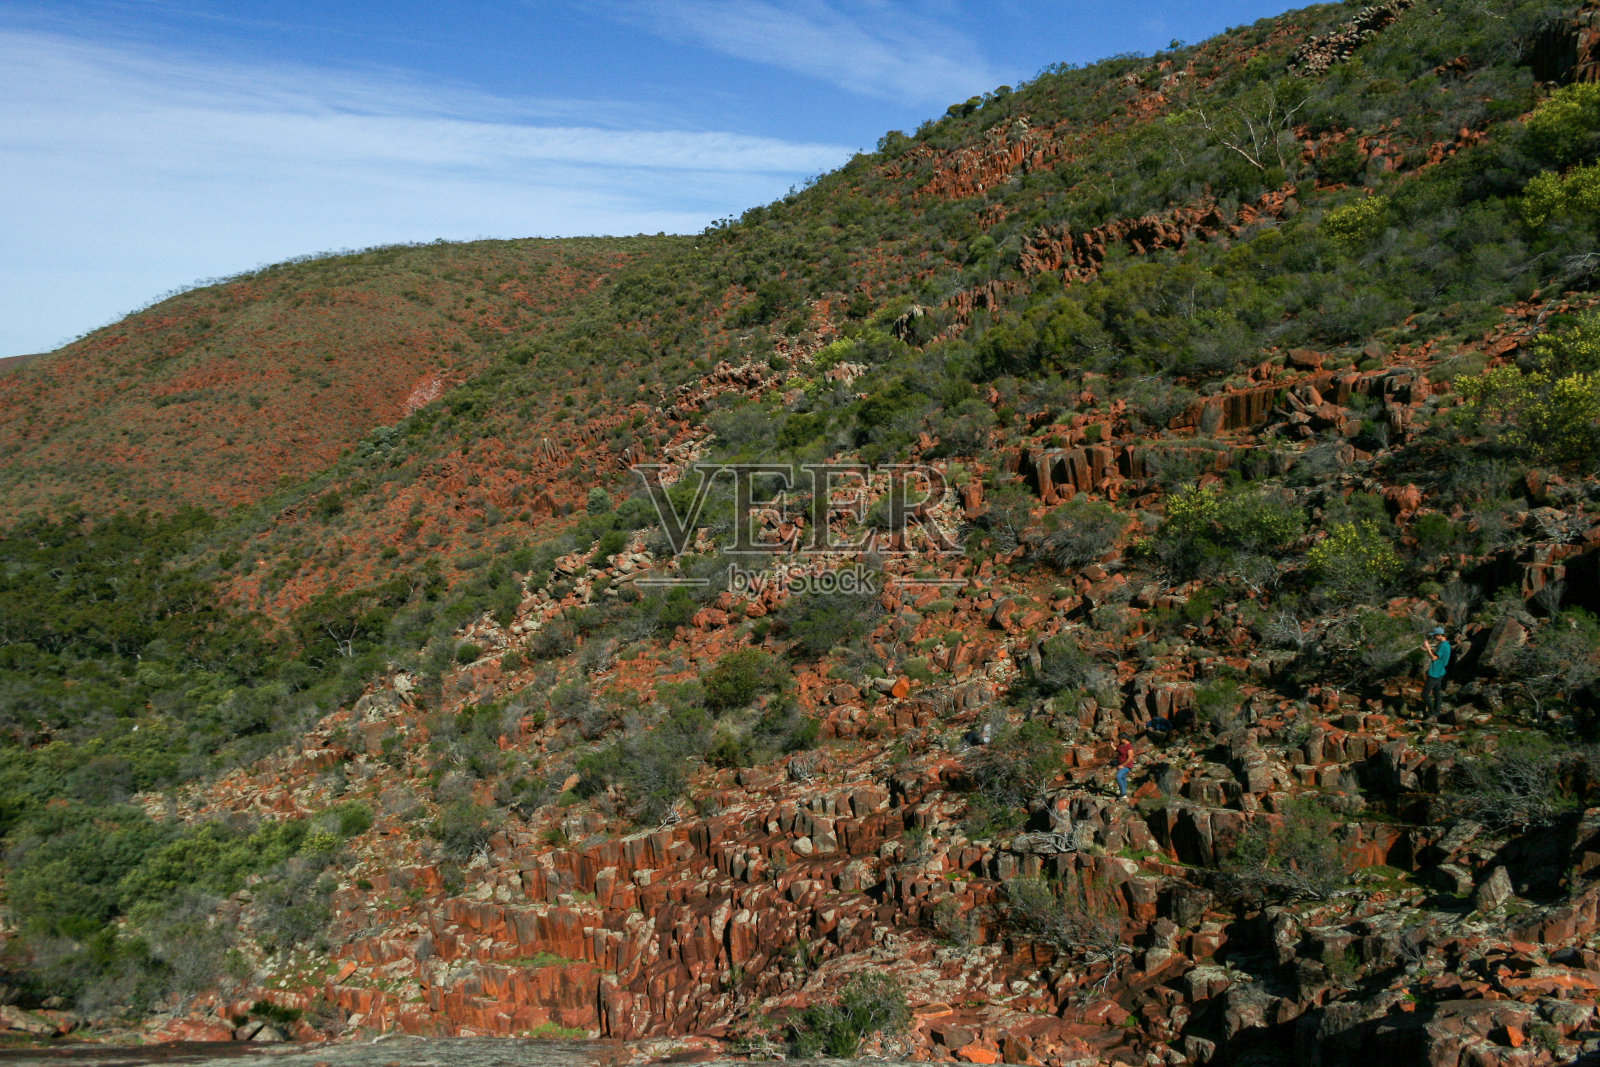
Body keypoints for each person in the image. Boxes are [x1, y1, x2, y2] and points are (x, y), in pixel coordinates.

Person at [1422, 626, 1451, 719]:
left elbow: (1434, 658)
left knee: (1425, 694)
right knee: (1437, 692)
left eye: (1435, 636)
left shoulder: (1443, 645)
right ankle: (1437, 711)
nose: (1434, 637)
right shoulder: (1446, 644)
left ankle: (1432, 713)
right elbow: (1439, 656)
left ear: (1439, 635)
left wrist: (1428, 648)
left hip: (1435, 672)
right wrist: (1429, 649)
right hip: (1440, 672)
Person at [1114, 729, 1136, 801]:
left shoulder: (1129, 746)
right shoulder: (1121, 745)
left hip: (1127, 766)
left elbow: (1130, 758)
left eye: (1120, 739)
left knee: (1118, 776)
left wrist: (1122, 765)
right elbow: (1117, 749)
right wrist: (1112, 746)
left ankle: (1123, 794)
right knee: (1123, 778)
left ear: (1124, 738)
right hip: (1121, 765)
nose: (1119, 740)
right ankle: (1124, 795)